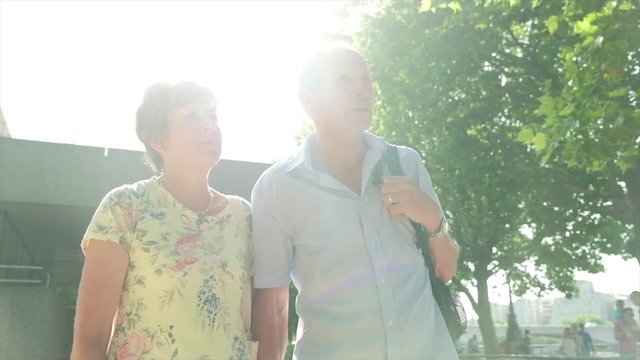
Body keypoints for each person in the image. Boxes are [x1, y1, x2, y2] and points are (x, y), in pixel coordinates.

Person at [251, 42, 460, 359]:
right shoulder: (277, 188)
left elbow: (446, 269)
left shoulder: (406, 164)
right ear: (308, 98)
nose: (362, 91)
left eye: (366, 80)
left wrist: (433, 218)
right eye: (344, 82)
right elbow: (272, 307)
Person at [70, 82, 254, 359]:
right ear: (158, 140)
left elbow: (261, 324)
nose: (209, 125)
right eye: (191, 116)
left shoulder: (244, 217)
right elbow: (91, 335)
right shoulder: (124, 207)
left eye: (211, 115)